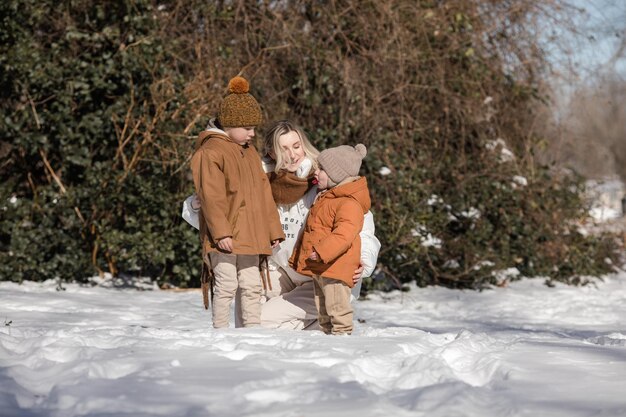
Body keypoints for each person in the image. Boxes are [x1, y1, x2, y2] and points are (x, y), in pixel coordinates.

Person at [258, 120, 380, 331]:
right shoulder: (263, 184)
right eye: (283, 149)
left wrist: (364, 260)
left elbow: (361, 226)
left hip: (322, 276)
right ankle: (318, 325)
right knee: (246, 315)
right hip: (283, 270)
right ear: (271, 153)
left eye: (296, 146)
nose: (293, 155)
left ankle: (324, 324)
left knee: (259, 322)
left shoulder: (327, 179)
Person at [190, 76, 284, 329]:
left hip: (252, 235)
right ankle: (220, 332)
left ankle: (251, 333)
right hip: (227, 236)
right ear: (230, 124)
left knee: (253, 286)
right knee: (226, 285)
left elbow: (264, 193)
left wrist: (272, 230)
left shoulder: (249, 152)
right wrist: (220, 232)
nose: (252, 134)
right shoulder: (210, 152)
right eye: (247, 128)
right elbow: (211, 195)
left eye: (254, 127)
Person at [289, 144, 370, 335]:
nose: (317, 172)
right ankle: (326, 340)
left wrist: (322, 251)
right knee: (323, 311)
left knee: (337, 308)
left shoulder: (348, 203)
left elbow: (345, 233)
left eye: (322, 169)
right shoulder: (327, 197)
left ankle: (342, 337)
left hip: (336, 267)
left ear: (337, 175)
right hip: (322, 267)